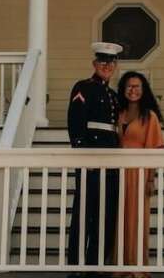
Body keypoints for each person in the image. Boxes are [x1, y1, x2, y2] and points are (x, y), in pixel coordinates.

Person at [67, 42, 123, 271]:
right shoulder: (83, 87)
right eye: (102, 62)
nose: (106, 66)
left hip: (111, 159)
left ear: (115, 66)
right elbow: (76, 122)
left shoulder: (113, 95)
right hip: (90, 158)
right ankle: (76, 266)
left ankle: (96, 265)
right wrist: (82, 154)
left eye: (110, 63)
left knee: (106, 213)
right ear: (94, 64)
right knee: (84, 213)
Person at [116, 71, 164, 276]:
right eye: (129, 86)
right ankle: (119, 267)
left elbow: (154, 149)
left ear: (143, 90)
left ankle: (136, 269)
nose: (132, 90)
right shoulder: (118, 113)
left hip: (138, 174)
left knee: (137, 220)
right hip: (118, 174)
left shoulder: (149, 116)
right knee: (119, 219)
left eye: (137, 86)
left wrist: (151, 179)